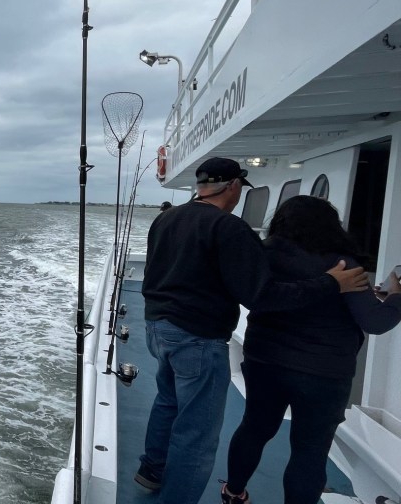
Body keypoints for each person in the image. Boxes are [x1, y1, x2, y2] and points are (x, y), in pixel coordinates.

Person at [134, 157, 369, 504]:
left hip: (158, 327)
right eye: (239, 189)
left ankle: (152, 470)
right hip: (198, 338)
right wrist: (331, 283)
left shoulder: (166, 218)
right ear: (232, 186)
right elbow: (261, 296)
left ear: (200, 186)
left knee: (168, 401)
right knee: (196, 434)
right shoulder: (229, 227)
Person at [222, 196, 401, 504]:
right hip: (324, 373)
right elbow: (374, 321)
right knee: (309, 450)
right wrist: (396, 295)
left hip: (265, 361)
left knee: (254, 428)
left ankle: (233, 492)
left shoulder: (262, 254)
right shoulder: (343, 265)